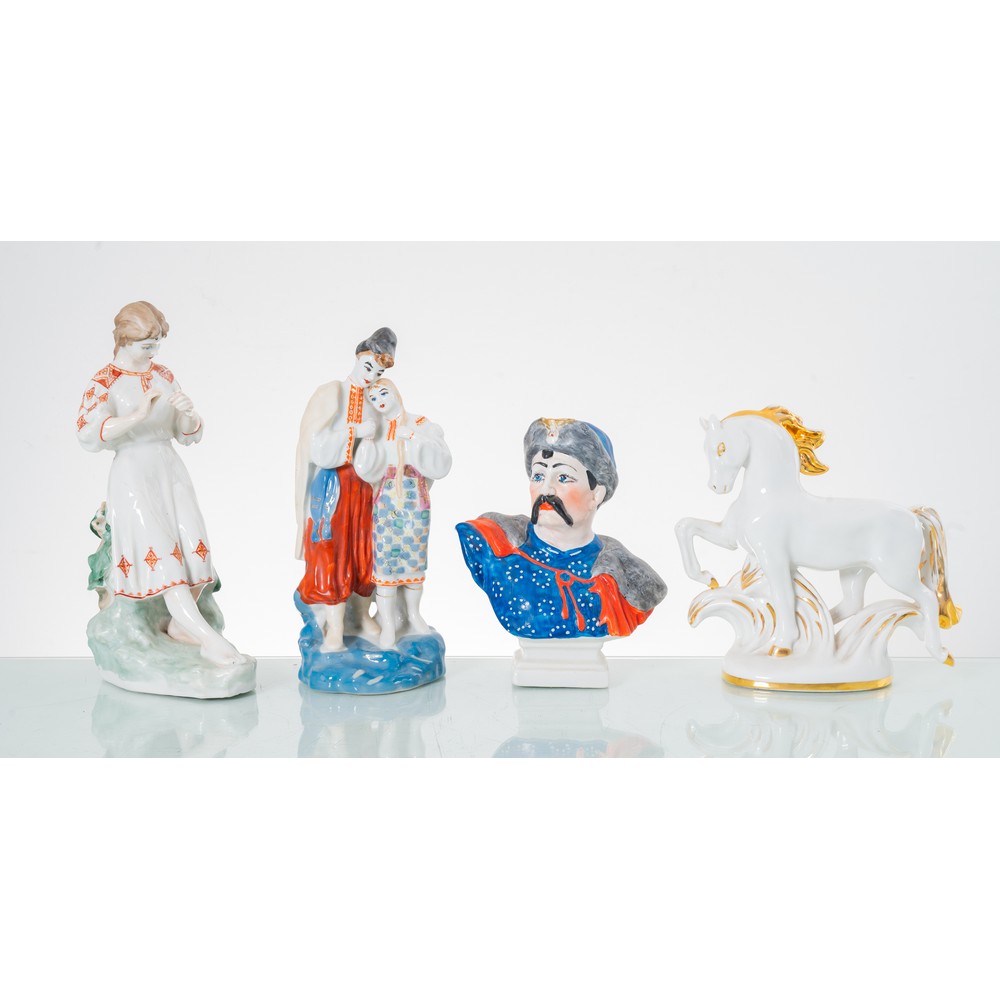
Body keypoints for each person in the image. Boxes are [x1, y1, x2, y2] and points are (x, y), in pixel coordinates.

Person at [77, 301, 246, 665]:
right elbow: (90, 433)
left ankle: (182, 626)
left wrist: (187, 414)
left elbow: (186, 433)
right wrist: (137, 415)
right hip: (132, 473)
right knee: (163, 557)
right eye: (147, 344)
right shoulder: (105, 381)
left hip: (169, 467)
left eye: (157, 343)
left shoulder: (163, 375)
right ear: (125, 340)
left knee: (195, 547)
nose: (153, 350)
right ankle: (208, 639)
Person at [456, 418, 666, 638]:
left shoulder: (624, 574)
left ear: (596, 494)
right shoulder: (495, 545)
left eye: (563, 477)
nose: (546, 490)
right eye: (538, 476)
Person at [294, 327, 396, 652]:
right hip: (333, 486)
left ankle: (360, 615)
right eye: (368, 367)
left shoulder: (375, 399)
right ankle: (335, 627)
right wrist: (353, 432)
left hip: (363, 486)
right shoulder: (332, 393)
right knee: (332, 552)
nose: (371, 377)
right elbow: (316, 446)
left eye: (377, 373)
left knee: (364, 549)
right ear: (358, 357)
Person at [353, 378, 452, 648]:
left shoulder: (419, 423)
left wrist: (414, 438)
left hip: (414, 499)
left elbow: (441, 459)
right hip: (387, 501)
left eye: (383, 393)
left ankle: (413, 615)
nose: (380, 401)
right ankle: (388, 624)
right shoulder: (378, 428)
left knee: (414, 558)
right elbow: (365, 468)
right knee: (386, 562)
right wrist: (369, 439)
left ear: (395, 393)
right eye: (373, 399)